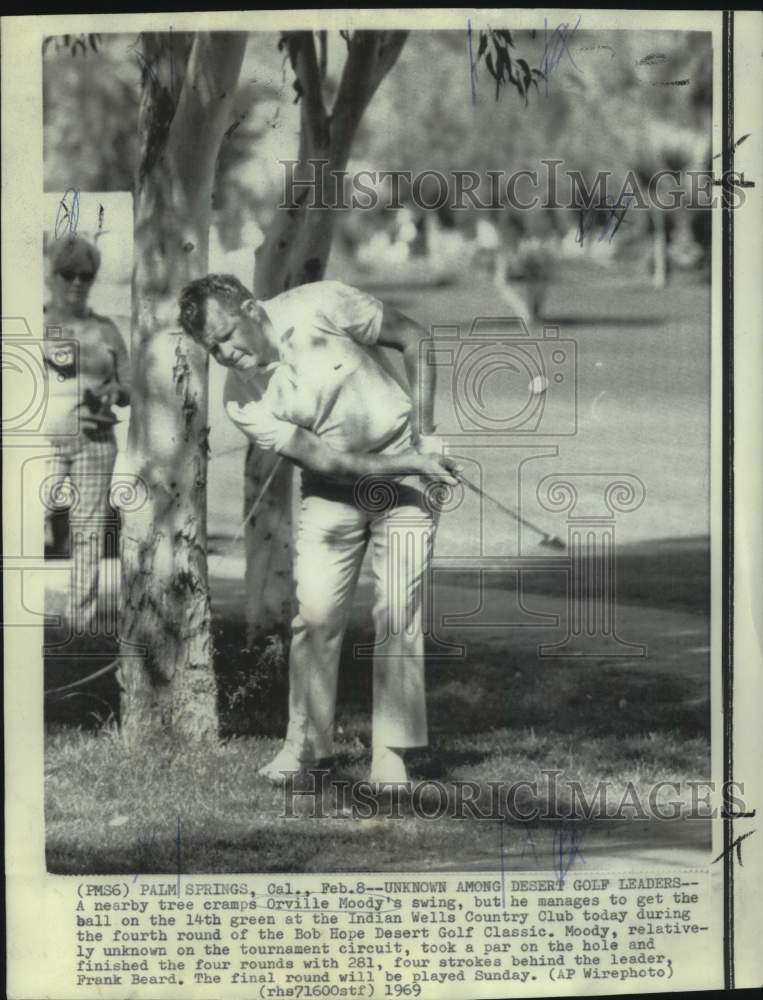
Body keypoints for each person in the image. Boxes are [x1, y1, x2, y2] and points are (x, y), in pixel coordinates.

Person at [178, 275, 461, 786]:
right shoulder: (241, 400)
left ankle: (390, 754)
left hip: (410, 474)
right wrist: (408, 461)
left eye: (226, 336)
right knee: (315, 616)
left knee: (397, 609)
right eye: (211, 348)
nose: (222, 353)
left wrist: (427, 440)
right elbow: (325, 460)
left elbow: (416, 338)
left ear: (250, 307)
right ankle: (308, 747)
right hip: (333, 488)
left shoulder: (322, 302)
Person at [43, 235, 131, 634]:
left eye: (86, 275)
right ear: (52, 276)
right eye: (68, 274)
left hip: (95, 442)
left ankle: (78, 623)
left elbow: (129, 389)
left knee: (89, 532)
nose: (77, 282)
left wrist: (117, 391)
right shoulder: (33, 321)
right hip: (41, 443)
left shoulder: (108, 330)